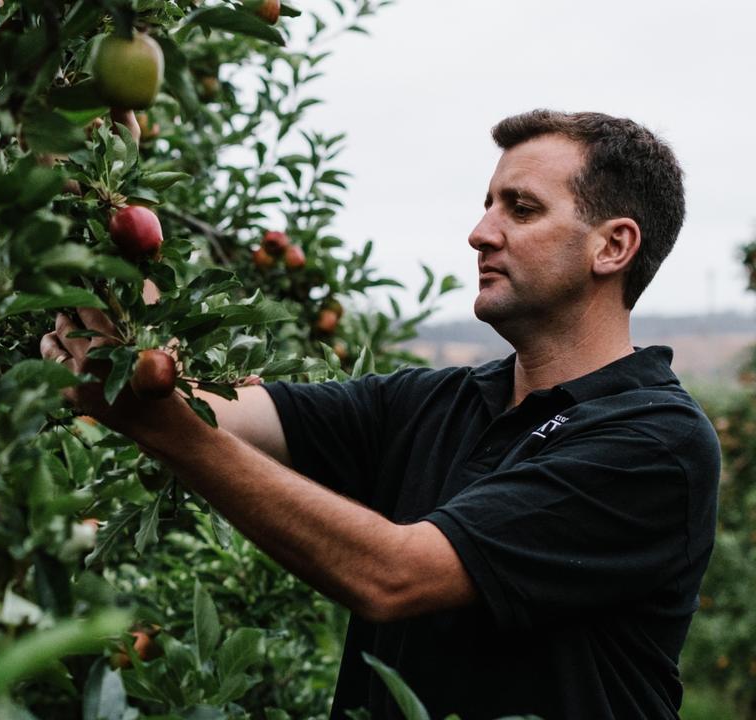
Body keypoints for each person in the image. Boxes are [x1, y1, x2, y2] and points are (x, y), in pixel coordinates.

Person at [39, 110, 720, 719]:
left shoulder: (655, 442)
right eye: (487, 205)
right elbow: (198, 401)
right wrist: (94, 195)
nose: (481, 233)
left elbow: (394, 576)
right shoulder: (433, 402)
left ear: (613, 246)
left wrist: (163, 430)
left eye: (520, 209)